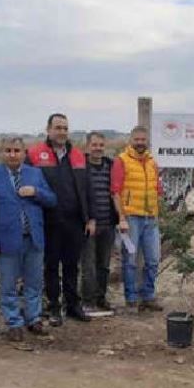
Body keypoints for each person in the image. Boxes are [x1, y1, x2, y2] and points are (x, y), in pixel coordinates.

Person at [0, 136, 57, 341]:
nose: (12, 154)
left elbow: (52, 199)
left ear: (24, 153)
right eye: (8, 150)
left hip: (34, 238)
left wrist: (36, 192)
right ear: (2, 152)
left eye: (17, 151)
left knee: (34, 283)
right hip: (6, 241)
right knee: (8, 285)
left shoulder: (35, 173)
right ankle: (14, 322)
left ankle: (34, 318)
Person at [27, 113, 96, 326]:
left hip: (75, 221)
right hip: (48, 221)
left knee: (71, 266)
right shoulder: (35, 155)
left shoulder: (77, 155)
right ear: (48, 130)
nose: (62, 132)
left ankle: (73, 305)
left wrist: (91, 218)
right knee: (50, 265)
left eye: (65, 128)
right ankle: (54, 307)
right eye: (58, 128)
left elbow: (88, 189)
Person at [111, 126, 163, 314]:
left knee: (153, 259)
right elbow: (116, 192)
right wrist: (121, 218)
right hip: (131, 218)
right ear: (131, 140)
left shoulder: (152, 162)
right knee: (130, 260)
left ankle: (148, 296)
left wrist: (158, 212)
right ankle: (131, 298)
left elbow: (158, 190)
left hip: (151, 218)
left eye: (143, 139)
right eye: (137, 140)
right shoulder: (121, 161)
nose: (140, 143)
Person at [80, 132, 118, 311]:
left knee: (103, 265)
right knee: (88, 265)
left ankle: (100, 297)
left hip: (108, 223)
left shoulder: (111, 166)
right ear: (88, 146)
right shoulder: (80, 167)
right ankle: (88, 301)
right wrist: (88, 218)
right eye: (94, 145)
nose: (98, 148)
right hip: (88, 224)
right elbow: (80, 197)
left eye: (101, 145)